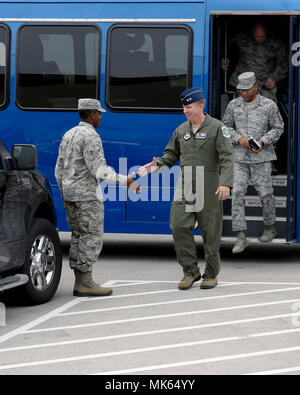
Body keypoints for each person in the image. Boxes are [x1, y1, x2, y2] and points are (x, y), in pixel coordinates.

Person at [138, 88, 233, 290]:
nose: (185, 110)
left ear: (201, 105)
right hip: (186, 185)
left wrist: (225, 183)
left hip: (209, 185)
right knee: (178, 225)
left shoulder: (217, 128)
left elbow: (227, 157)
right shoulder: (181, 130)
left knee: (210, 231)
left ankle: (211, 273)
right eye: (184, 107)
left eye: (189, 106)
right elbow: (170, 155)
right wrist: (154, 166)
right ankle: (190, 271)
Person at [55, 98, 140, 297]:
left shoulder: (68, 134)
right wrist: (125, 180)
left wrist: (63, 193)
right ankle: (86, 282)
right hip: (87, 197)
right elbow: (99, 170)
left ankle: (79, 281)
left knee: (77, 236)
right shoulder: (91, 136)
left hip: (71, 195)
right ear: (92, 114)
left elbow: (59, 168)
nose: (101, 117)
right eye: (99, 113)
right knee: (91, 236)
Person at [222, 72, 284, 254]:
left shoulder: (268, 105)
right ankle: (241, 236)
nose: (244, 93)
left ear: (256, 86)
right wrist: (239, 139)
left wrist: (263, 141)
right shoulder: (233, 105)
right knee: (238, 195)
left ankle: (269, 227)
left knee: (266, 194)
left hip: (262, 157)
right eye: (241, 90)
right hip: (239, 157)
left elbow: (278, 127)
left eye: (247, 90)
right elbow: (225, 128)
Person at [221, 21, 288, 102]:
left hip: (265, 83)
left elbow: (283, 62)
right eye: (257, 36)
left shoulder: (276, 42)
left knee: (268, 110)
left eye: (263, 36)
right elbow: (224, 45)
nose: (260, 39)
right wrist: (225, 57)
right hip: (244, 82)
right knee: (243, 110)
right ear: (252, 32)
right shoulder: (242, 38)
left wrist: (274, 77)